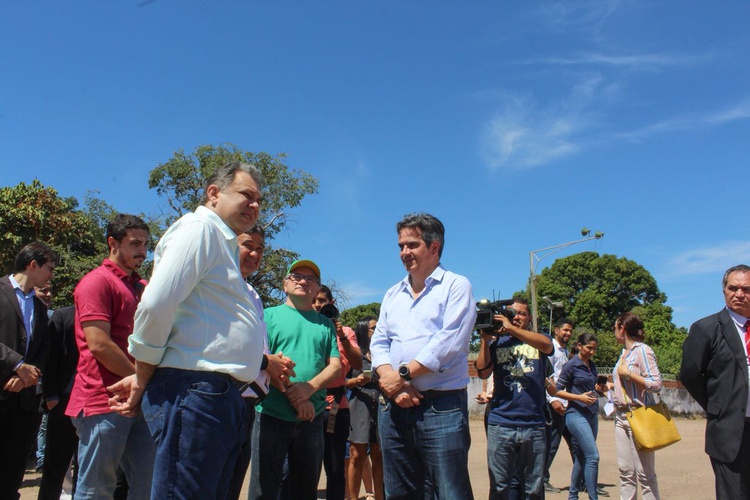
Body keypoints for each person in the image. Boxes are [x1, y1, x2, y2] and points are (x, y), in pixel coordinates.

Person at [109, 162, 270, 499]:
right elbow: (155, 305)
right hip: (194, 393)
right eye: (247, 195)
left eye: (259, 200)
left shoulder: (219, 241)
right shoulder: (200, 229)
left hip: (217, 396)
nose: (255, 206)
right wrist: (142, 375)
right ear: (214, 193)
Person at [370, 212, 476, 499]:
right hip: (393, 407)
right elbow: (378, 341)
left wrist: (401, 375)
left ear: (434, 246)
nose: (404, 252)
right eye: (401, 246)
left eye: (412, 245)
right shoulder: (393, 293)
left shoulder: (456, 286)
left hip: (440, 408)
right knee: (399, 491)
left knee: (448, 491)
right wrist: (391, 381)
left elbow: (447, 343)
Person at [64, 213, 155, 500]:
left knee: (148, 488)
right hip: (102, 400)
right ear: (112, 243)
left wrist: (140, 386)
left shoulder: (140, 286)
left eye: (145, 244)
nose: (142, 251)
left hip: (138, 399)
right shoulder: (97, 282)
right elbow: (99, 344)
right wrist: (139, 379)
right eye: (135, 243)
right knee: (95, 491)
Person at [249, 259, 342, 500]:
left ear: (317, 288)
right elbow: (264, 361)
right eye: (296, 277)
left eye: (310, 279)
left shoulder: (325, 324)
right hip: (271, 413)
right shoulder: (267, 316)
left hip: (313, 417)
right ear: (285, 284)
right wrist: (298, 398)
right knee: (264, 488)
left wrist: (309, 390)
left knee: (305, 489)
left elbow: (334, 366)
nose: (303, 282)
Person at [227, 225, 296, 500]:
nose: (254, 253)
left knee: (231, 482)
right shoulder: (219, 285)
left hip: (247, 402)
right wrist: (267, 362)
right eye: (248, 245)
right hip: (224, 397)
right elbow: (226, 343)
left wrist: (274, 366)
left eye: (260, 248)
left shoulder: (252, 294)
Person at [680, 264, 750, 499]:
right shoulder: (706, 328)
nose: (739, 294)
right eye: (734, 288)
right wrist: (716, 405)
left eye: (746, 289)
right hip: (729, 429)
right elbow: (689, 374)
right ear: (724, 291)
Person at [475, 298, 554, 500]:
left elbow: (547, 346)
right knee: (500, 486)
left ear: (529, 317)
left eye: (521, 313)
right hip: (501, 423)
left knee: (533, 487)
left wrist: (512, 330)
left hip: (534, 423)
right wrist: (485, 340)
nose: (516, 317)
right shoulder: (498, 342)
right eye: (512, 313)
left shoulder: (538, 338)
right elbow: (483, 372)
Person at [0, 241, 56, 499]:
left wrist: (28, 375)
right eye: (49, 268)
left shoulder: (40, 307)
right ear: (33, 265)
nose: (51, 275)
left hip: (24, 400)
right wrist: (16, 365)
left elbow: (44, 348)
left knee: (13, 469)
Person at [314, 285, 362, 500]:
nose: (317, 305)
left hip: (337, 407)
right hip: (309, 404)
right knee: (305, 467)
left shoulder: (347, 332)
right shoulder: (306, 327)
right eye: (314, 300)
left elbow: (357, 362)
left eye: (322, 301)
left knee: (335, 468)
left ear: (331, 304)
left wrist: (340, 334)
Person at [609, 312, 662, 500]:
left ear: (622, 329)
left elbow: (656, 383)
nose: (613, 332)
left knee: (645, 474)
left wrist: (629, 375)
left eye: (615, 328)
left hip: (640, 415)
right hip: (621, 417)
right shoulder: (624, 353)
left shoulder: (642, 350)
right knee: (625, 472)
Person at [553, 333, 608, 500]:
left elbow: (592, 390)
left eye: (594, 349)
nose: (592, 351)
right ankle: (593, 497)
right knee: (593, 456)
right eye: (589, 348)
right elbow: (556, 390)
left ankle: (572, 496)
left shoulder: (592, 365)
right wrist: (579, 398)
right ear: (579, 346)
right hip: (575, 414)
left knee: (581, 457)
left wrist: (600, 390)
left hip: (591, 414)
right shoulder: (571, 365)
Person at [37, 304, 78, 500]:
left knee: (85, 466)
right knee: (55, 465)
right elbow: (50, 357)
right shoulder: (64, 316)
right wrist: (51, 395)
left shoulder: (109, 315)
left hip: (94, 401)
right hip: (64, 400)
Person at [346, 316, 383, 500]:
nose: (377, 331)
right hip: (359, 406)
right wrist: (356, 380)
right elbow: (341, 381)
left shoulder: (382, 352)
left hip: (382, 405)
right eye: (373, 328)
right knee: (356, 456)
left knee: (379, 457)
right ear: (362, 330)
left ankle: (380, 497)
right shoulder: (354, 354)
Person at [544, 318, 575, 494]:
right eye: (565, 330)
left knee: (575, 442)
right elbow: (547, 377)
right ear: (556, 330)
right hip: (554, 403)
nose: (568, 333)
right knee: (551, 443)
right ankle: (542, 479)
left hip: (565, 403)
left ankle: (583, 479)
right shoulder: (552, 350)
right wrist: (551, 399)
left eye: (570, 331)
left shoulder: (565, 351)